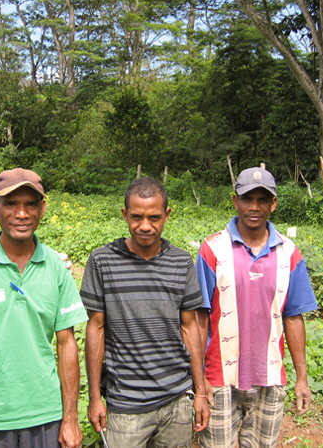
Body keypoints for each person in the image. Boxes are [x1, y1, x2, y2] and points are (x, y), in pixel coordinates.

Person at [0, 168, 88, 448]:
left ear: (42, 208)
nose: (21, 214)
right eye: (10, 204)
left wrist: (70, 418)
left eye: (30, 204)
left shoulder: (56, 267)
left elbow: (67, 344)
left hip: (45, 415)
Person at [80, 177, 210, 448]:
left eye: (154, 217)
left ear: (167, 215)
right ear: (125, 215)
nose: (145, 226)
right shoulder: (102, 261)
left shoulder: (181, 261)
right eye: (137, 217)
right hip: (126, 405)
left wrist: (200, 390)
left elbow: (190, 327)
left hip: (176, 400)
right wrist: (94, 397)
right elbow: (96, 328)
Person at [195, 167, 318, 448]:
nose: (254, 207)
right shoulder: (212, 249)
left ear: (273, 204)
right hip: (219, 377)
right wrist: (199, 380)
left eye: (263, 200)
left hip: (271, 375)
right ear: (235, 200)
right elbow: (199, 318)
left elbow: (294, 318)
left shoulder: (289, 252)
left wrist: (302, 378)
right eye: (247, 198)